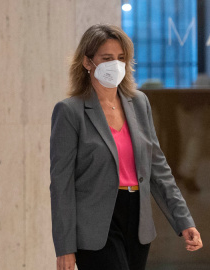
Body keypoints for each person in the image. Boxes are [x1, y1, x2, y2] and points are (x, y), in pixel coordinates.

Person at [50, 24, 203, 270]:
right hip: (96, 226)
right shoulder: (70, 111)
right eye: (107, 58)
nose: (116, 65)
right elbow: (61, 185)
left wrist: (183, 220)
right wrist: (65, 247)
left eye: (121, 58)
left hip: (138, 221)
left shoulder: (139, 103)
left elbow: (158, 169)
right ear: (88, 62)